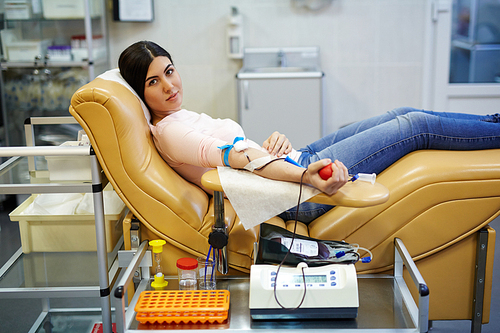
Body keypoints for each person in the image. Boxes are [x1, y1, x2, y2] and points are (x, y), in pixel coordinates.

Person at [118, 40, 500, 223]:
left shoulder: (179, 118)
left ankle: (492, 124)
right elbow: (238, 159)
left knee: (400, 114)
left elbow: (243, 151)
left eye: (169, 71)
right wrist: (303, 175)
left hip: (288, 165)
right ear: (141, 91)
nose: (169, 86)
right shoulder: (169, 132)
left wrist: (271, 146)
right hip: (290, 194)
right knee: (413, 128)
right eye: (154, 82)